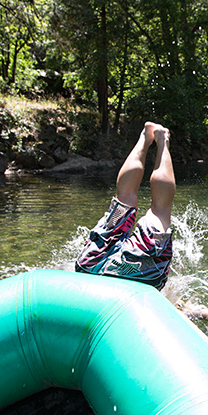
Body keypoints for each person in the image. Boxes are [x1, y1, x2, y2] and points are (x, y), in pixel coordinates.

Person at [75, 122, 175, 291]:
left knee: (149, 207)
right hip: (120, 271)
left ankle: (146, 137)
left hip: (94, 268)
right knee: (155, 209)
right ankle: (161, 140)